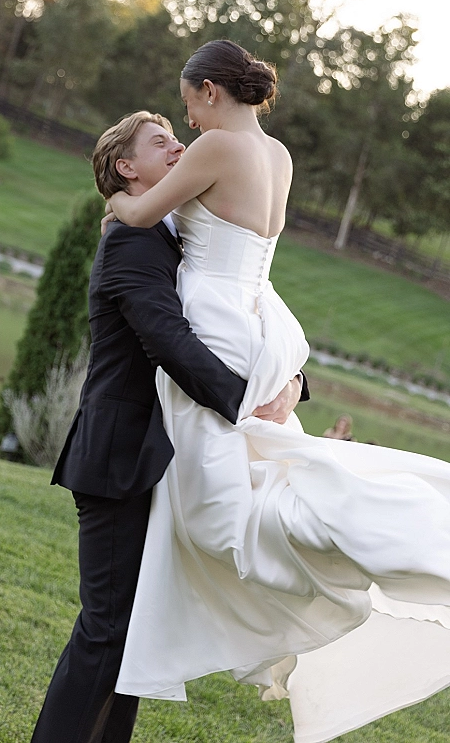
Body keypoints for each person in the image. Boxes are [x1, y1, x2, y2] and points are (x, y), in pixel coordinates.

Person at [108, 40, 450, 743]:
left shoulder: (216, 147)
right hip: (260, 317)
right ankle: (372, 530)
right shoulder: (280, 155)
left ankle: (377, 535)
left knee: (221, 514)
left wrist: (113, 194)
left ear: (209, 91)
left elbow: (141, 217)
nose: (188, 126)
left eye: (188, 108)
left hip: (215, 319)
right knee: (267, 471)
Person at [30, 110, 308, 743]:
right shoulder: (130, 241)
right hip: (118, 455)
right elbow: (167, 339)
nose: (179, 146)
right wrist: (244, 403)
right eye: (162, 142)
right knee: (106, 629)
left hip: (163, 460)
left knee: (135, 633)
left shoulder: (178, 232)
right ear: (127, 168)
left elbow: (240, 310)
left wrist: (291, 385)